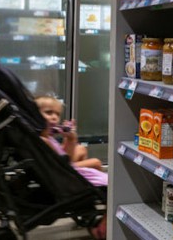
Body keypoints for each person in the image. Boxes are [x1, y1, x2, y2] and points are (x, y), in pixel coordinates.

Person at [35, 95, 107, 239]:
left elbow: (62, 156)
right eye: (49, 113)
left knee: (81, 150)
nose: (55, 118)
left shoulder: (45, 138)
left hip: (60, 172)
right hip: (64, 176)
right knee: (113, 188)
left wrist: (70, 138)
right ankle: (103, 228)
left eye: (57, 114)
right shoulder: (44, 141)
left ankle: (87, 208)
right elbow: (65, 162)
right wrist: (71, 139)